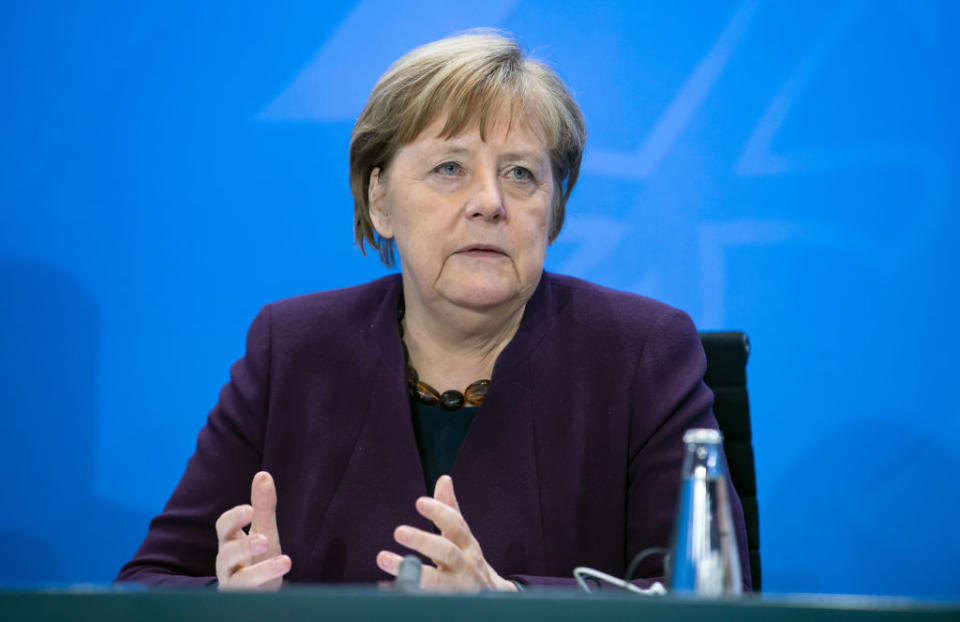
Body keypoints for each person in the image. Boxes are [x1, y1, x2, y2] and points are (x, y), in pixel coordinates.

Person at [116, 31, 751, 591]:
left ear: (554, 211)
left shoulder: (641, 353)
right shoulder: (293, 349)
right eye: (450, 167)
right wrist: (228, 605)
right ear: (380, 200)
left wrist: (510, 606)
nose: (489, 202)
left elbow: (709, 600)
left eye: (522, 175)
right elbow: (149, 583)